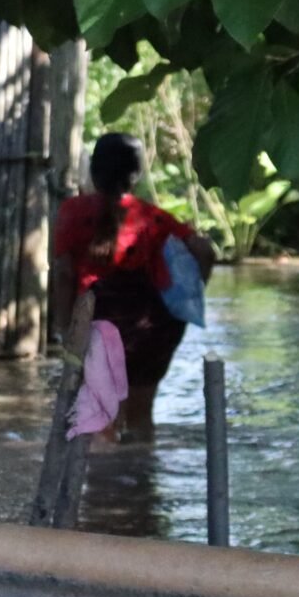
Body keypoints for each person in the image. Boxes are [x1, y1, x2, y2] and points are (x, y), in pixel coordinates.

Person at [50, 133, 216, 440]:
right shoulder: (153, 218)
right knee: (141, 420)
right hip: (152, 327)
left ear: (94, 171)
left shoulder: (73, 212)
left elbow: (63, 273)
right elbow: (204, 250)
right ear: (136, 174)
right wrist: (191, 294)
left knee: (103, 424)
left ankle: (109, 486)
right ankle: (141, 483)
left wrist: (63, 326)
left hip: (99, 325)